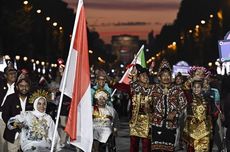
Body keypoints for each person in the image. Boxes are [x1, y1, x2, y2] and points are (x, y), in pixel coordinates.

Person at [114, 64, 152, 152]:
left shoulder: (153, 89)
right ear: (138, 78)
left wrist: (150, 109)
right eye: (143, 76)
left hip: (147, 122)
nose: (145, 77)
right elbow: (120, 86)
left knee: (147, 146)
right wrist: (109, 79)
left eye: (146, 75)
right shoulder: (133, 88)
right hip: (135, 121)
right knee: (133, 145)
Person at [151, 59, 187, 152]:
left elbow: (184, 103)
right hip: (156, 124)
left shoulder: (177, 90)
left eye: (168, 75)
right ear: (159, 77)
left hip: (171, 124)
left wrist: (175, 112)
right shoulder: (154, 88)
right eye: (164, 75)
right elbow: (140, 89)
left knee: (169, 149)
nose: (166, 77)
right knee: (157, 149)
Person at [2, 72, 33, 152]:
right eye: (21, 86)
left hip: (29, 134)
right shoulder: (10, 98)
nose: (24, 88)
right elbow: (5, 115)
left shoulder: (33, 99)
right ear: (17, 87)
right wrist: (17, 124)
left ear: (29, 87)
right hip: (13, 133)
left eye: (26, 86)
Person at [183, 79, 212, 152]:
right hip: (192, 128)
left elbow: (209, 114)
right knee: (191, 148)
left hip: (204, 129)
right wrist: (193, 78)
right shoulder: (190, 97)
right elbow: (184, 87)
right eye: (194, 87)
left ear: (202, 88)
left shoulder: (206, 99)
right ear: (192, 88)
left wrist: (210, 126)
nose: (196, 89)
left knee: (204, 148)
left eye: (198, 87)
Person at [0, 63, 17, 152]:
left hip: (14, 117)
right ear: (5, 75)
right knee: (2, 142)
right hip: (1, 117)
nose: (13, 75)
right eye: (10, 73)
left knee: (12, 143)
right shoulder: (1, 85)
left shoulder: (19, 87)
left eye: (14, 73)